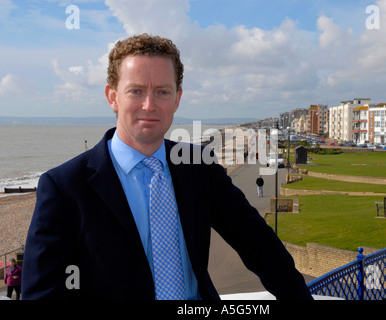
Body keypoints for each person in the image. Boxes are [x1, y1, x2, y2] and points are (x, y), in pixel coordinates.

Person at [22, 34, 313, 300]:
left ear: (177, 98)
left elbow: (258, 244)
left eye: (162, 92)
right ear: (112, 97)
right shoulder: (64, 186)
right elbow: (44, 293)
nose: (149, 105)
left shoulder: (199, 165)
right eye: (135, 91)